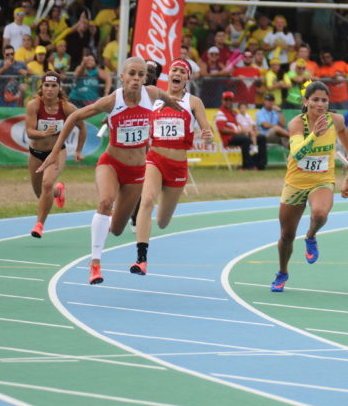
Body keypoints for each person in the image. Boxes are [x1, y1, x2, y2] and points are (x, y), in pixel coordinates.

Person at [37, 57, 182, 285]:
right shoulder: (112, 101)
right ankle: (95, 265)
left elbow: (170, 100)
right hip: (111, 163)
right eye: (132, 74)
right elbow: (74, 116)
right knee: (105, 202)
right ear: (122, 77)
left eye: (140, 75)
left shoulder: (151, 94)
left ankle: (107, 227)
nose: (136, 79)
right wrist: (55, 151)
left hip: (136, 171)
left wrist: (183, 116)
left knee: (116, 229)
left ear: (146, 78)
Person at [270, 81, 348, 292]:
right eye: (315, 100)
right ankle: (282, 272)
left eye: (324, 100)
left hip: (322, 180)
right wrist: (314, 136)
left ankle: (310, 235)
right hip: (296, 182)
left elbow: (343, 131)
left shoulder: (335, 119)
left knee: (319, 214)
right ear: (306, 101)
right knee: (286, 235)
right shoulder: (297, 124)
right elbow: (297, 152)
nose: (320, 104)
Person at [132, 59, 213, 275]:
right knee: (147, 200)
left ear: (187, 78)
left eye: (182, 71)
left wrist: (208, 137)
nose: (177, 73)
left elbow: (207, 132)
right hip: (155, 158)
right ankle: (141, 259)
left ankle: (156, 221)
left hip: (178, 166)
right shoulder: (153, 96)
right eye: (174, 70)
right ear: (168, 75)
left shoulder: (193, 102)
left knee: (162, 222)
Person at [26, 72, 86, 238]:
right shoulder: (34, 105)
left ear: (59, 88)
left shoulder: (67, 108)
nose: (50, 89)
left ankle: (39, 225)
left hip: (56, 152)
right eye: (47, 85)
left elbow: (82, 127)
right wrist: (44, 133)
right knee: (41, 193)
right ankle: (58, 192)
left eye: (54, 86)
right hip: (36, 153)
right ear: (42, 87)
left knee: (46, 184)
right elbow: (29, 132)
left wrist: (79, 150)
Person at [214, 91, 262, 169]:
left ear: (233, 101)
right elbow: (222, 129)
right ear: (222, 100)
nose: (228, 102)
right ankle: (247, 165)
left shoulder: (235, 113)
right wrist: (236, 132)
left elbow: (243, 124)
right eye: (226, 99)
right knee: (246, 139)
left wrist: (251, 130)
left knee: (261, 138)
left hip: (240, 134)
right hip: (229, 138)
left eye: (230, 100)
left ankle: (260, 165)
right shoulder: (220, 113)